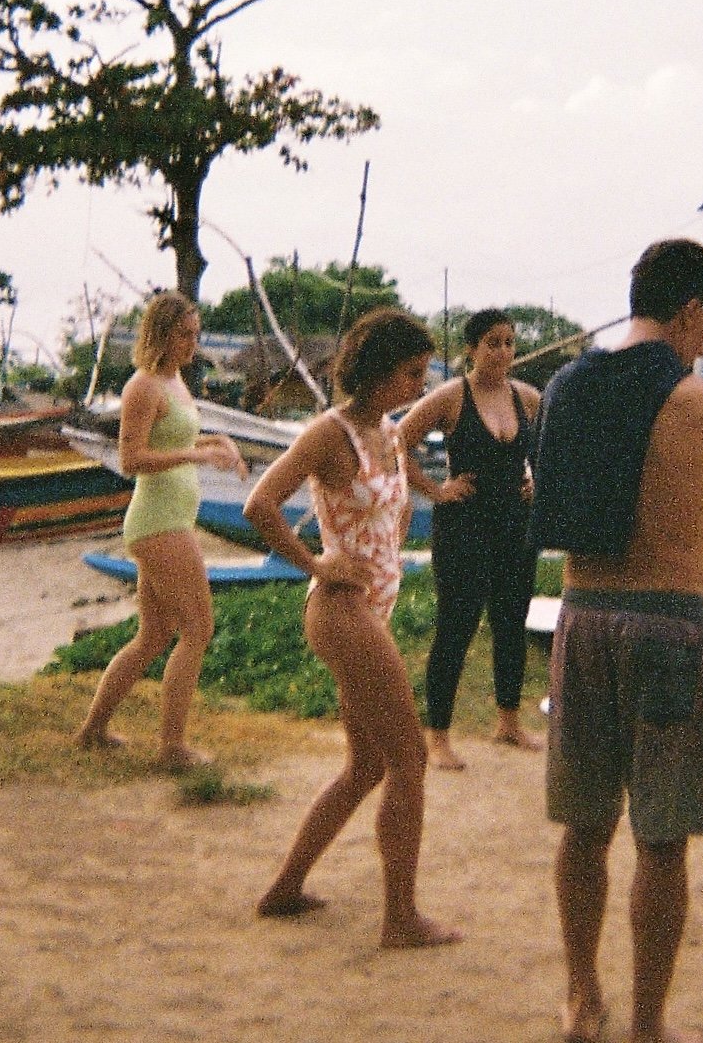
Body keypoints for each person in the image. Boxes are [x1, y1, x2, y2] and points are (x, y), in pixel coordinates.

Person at [529, 238, 703, 1043]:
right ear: (691, 310)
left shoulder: (564, 385)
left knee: (584, 825)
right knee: (661, 835)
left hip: (584, 614)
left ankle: (581, 994)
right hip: (669, 621)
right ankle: (649, 1024)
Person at [243, 308, 461, 950]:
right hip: (341, 612)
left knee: (366, 765)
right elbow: (261, 504)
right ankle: (400, 919)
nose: (420, 383)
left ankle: (285, 888)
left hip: (373, 607)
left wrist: (384, 560)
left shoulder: (391, 433)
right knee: (410, 757)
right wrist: (315, 561)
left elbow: (388, 517)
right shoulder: (327, 434)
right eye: (412, 371)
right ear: (376, 369)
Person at [74, 291, 245, 770]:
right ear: (163, 333)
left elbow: (181, 438)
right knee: (198, 629)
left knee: (154, 635)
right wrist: (196, 455)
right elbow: (131, 460)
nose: (194, 342)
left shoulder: (174, 382)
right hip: (158, 521)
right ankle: (172, 748)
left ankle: (92, 730)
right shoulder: (142, 386)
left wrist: (220, 441)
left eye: (196, 333)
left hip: (171, 519)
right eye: (185, 333)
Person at [398, 308, 543, 771]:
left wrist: (537, 479)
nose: (502, 351)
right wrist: (435, 489)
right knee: (456, 627)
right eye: (492, 343)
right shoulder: (451, 397)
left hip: (514, 525)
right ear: (471, 348)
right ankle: (437, 735)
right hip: (464, 525)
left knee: (510, 623)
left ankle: (508, 720)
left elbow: (550, 447)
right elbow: (398, 439)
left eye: (508, 342)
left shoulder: (528, 398)